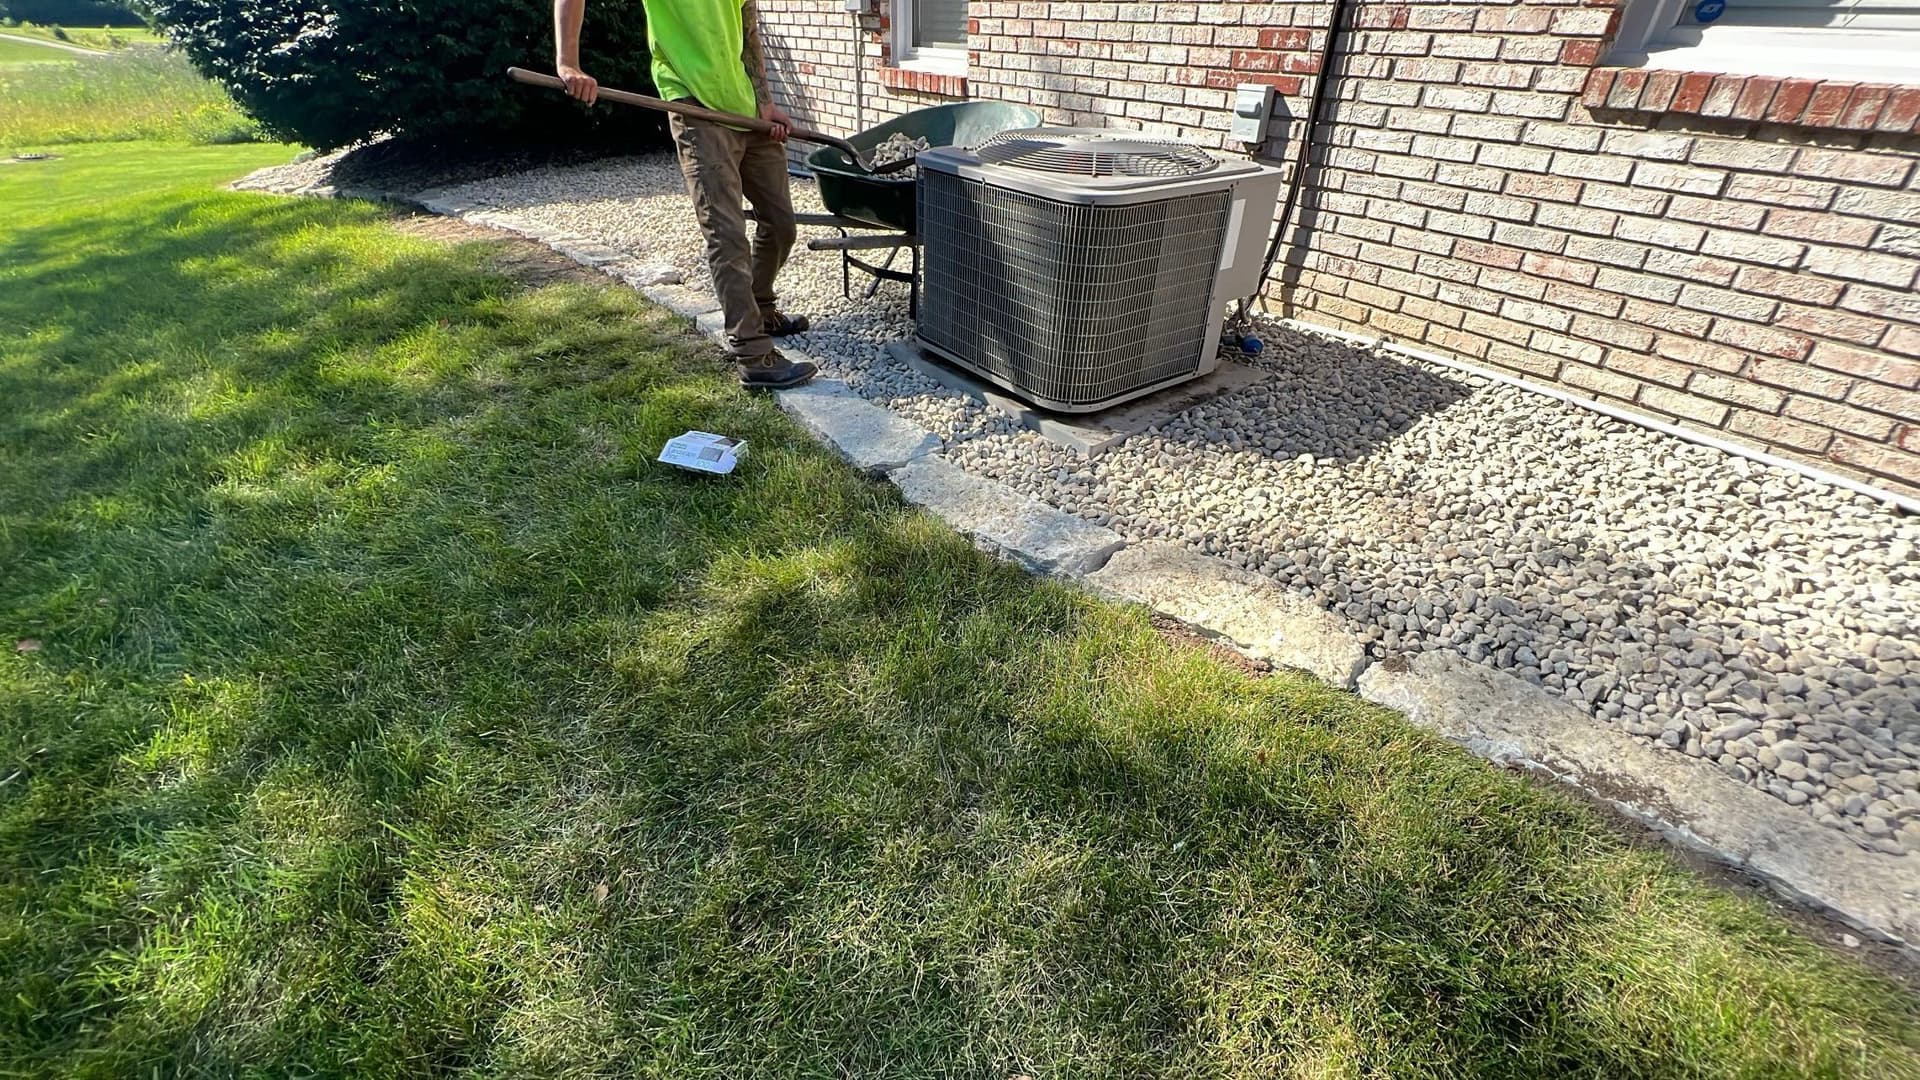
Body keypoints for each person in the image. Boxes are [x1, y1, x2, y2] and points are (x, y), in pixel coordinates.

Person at [554, 0, 817, 389]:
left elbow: (747, 26)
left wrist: (764, 103)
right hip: (693, 104)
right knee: (726, 233)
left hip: (743, 106)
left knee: (781, 225)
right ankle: (752, 352)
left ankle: (761, 309)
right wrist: (568, 63)